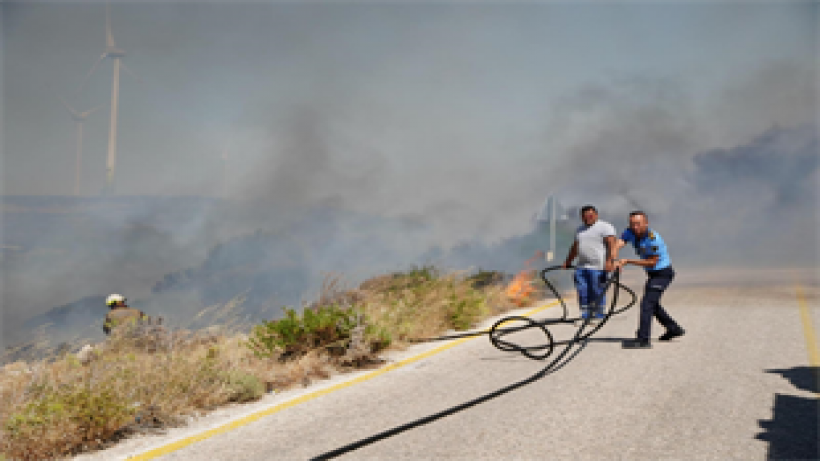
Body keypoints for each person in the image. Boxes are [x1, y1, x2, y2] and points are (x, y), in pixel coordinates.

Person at [613, 211, 685, 349]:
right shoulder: (630, 232)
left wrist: (627, 261)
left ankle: (643, 339)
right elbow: (617, 244)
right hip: (652, 275)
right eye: (632, 224)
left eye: (638, 224)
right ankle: (673, 329)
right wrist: (614, 260)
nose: (635, 227)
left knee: (647, 304)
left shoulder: (653, 238)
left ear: (646, 223)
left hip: (662, 274)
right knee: (653, 304)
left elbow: (652, 262)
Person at [561, 205, 617, 321]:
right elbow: (575, 247)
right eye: (585, 216)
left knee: (597, 291)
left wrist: (610, 261)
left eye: (590, 215)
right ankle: (586, 315)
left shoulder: (605, 227)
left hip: (598, 267)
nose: (588, 218)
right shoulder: (580, 229)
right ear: (581, 217)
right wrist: (568, 261)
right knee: (582, 292)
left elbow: (612, 245)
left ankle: (598, 315)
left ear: (596, 215)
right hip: (581, 267)